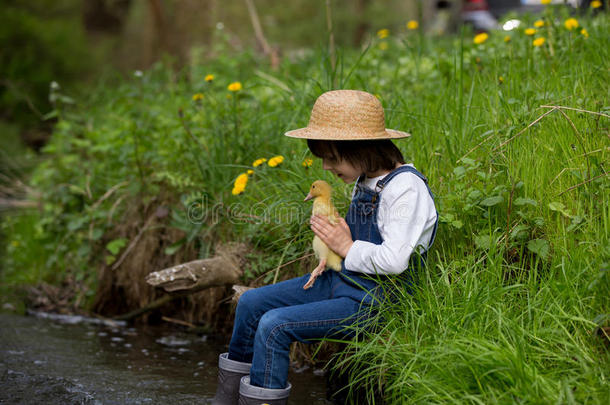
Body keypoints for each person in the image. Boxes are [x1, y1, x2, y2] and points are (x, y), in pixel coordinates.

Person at [211, 90, 438, 405]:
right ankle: (227, 401)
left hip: (379, 302)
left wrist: (346, 244)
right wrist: (337, 240)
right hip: (344, 283)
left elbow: (395, 260)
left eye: (332, 158)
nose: (327, 168)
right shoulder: (367, 178)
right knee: (251, 304)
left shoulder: (406, 189)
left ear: (361, 148)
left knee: (275, 326)